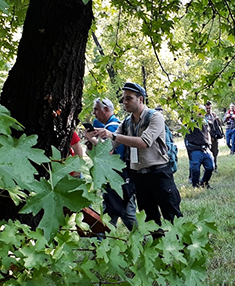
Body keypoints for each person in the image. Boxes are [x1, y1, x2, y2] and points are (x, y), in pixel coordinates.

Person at [94, 82, 182, 226]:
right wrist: (93, 139)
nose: (124, 102)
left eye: (129, 98)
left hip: (159, 174)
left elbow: (144, 142)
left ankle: (183, 248)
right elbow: (110, 147)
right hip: (139, 178)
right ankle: (156, 247)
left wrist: (113, 136)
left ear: (140, 99)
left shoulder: (155, 117)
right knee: (150, 221)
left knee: (172, 217)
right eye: (123, 99)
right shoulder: (126, 123)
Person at [84, 97, 137, 230]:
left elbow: (111, 155)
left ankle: (141, 239)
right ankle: (103, 241)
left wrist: (93, 140)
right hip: (115, 179)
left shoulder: (114, 128)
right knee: (115, 212)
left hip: (119, 179)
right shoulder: (108, 127)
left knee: (125, 214)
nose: (93, 113)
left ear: (106, 109)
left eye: (96, 109)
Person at [184, 111, 214, 189]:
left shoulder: (205, 122)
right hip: (195, 149)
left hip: (206, 149)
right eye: (199, 113)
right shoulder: (190, 123)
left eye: (202, 113)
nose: (201, 115)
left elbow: (208, 132)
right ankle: (195, 186)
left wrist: (209, 143)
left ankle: (204, 182)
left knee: (210, 167)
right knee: (195, 169)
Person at [204, 101, 223, 171]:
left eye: (209, 108)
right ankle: (207, 167)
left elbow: (220, 124)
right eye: (207, 108)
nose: (208, 110)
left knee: (215, 152)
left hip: (214, 137)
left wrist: (217, 119)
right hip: (205, 137)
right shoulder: (202, 116)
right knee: (206, 153)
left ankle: (215, 166)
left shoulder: (213, 115)